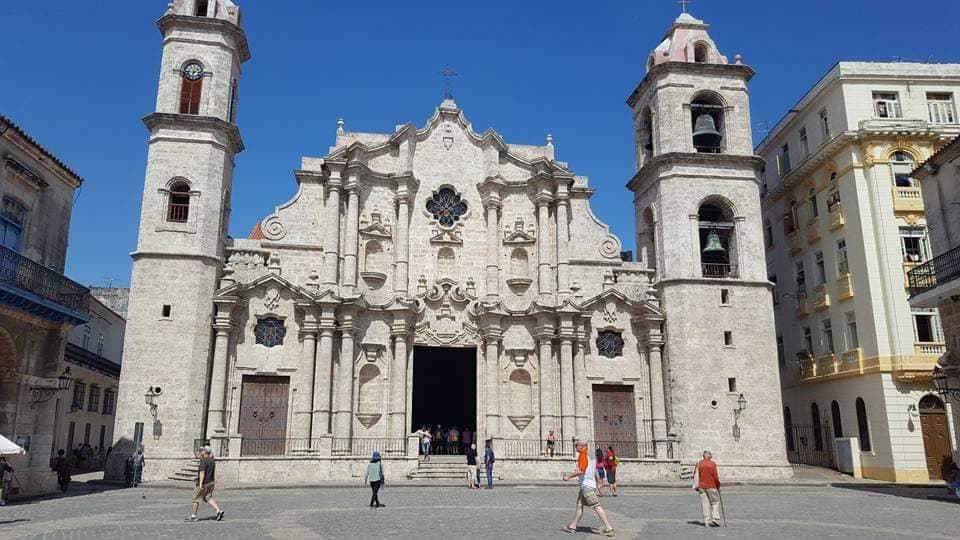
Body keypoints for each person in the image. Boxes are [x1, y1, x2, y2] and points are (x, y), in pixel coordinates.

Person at [562, 440, 614, 536]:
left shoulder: (583, 456)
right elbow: (595, 472)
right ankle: (573, 526)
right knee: (579, 506)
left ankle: (608, 528)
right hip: (585, 486)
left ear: (582, 446)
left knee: (596, 506)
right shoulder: (589, 457)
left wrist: (569, 476)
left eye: (576, 445)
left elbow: (581, 471)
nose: (575, 447)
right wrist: (598, 482)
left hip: (587, 487)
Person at [186, 446, 224, 522]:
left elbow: (202, 472)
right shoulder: (212, 461)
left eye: (202, 450)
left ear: (206, 452)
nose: (200, 452)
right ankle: (218, 511)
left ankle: (193, 516)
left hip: (204, 483)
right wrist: (213, 483)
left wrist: (200, 484)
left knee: (195, 499)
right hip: (210, 482)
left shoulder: (203, 460)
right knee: (208, 498)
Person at [694, 450, 721, 527]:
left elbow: (695, 475)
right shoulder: (712, 464)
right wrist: (718, 485)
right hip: (711, 485)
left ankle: (706, 521)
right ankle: (715, 518)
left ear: (703, 456)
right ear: (709, 456)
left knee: (705, 504)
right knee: (715, 502)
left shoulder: (699, 464)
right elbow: (715, 476)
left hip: (701, 486)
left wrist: (696, 485)